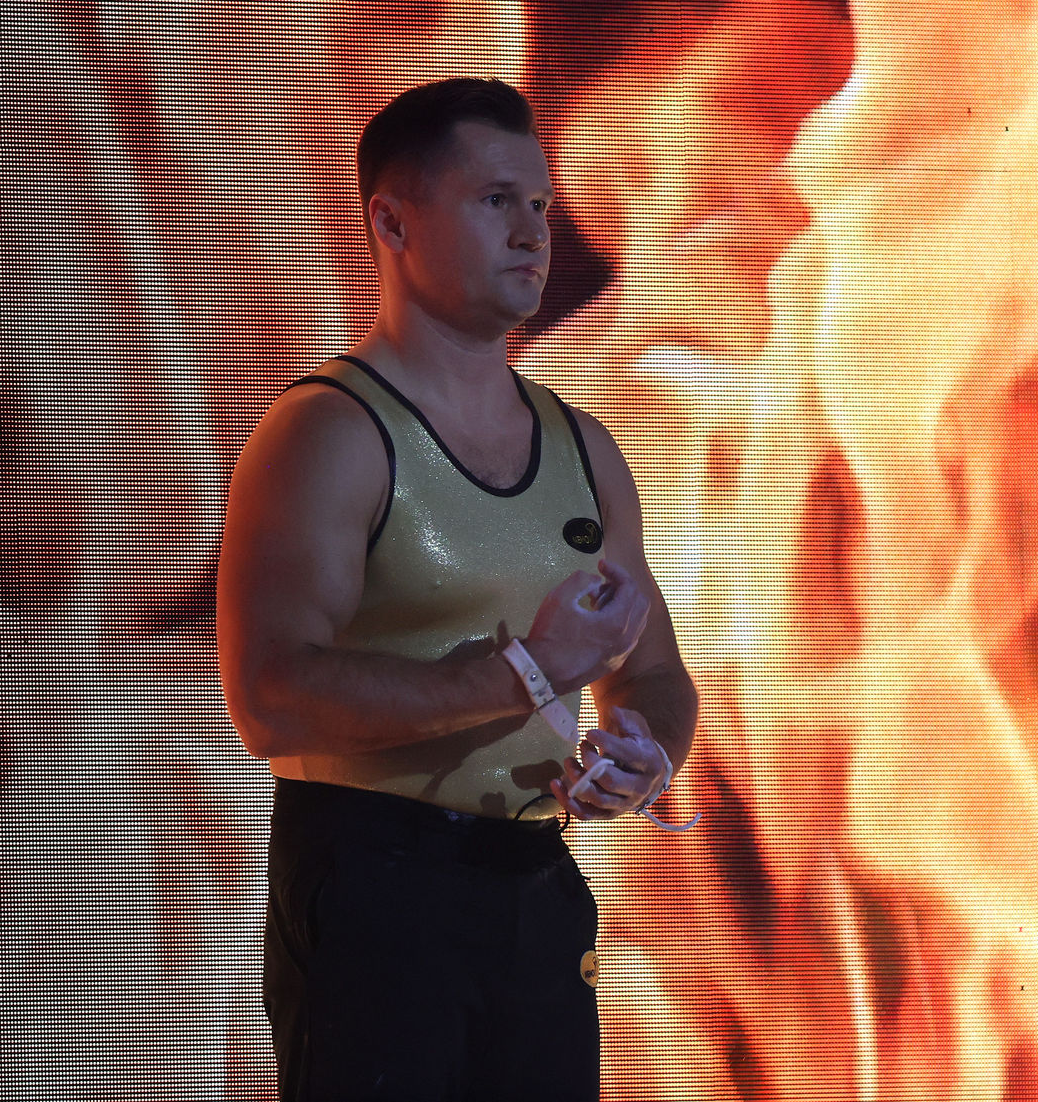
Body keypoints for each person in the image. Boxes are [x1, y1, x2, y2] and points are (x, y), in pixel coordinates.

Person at [216, 77, 699, 1100]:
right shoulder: (326, 433)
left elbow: (654, 672)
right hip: (372, 887)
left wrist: (646, 752)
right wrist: (525, 673)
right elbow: (269, 698)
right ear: (392, 223)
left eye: (541, 205)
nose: (532, 232)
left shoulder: (584, 448)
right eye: (494, 200)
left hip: (535, 885)